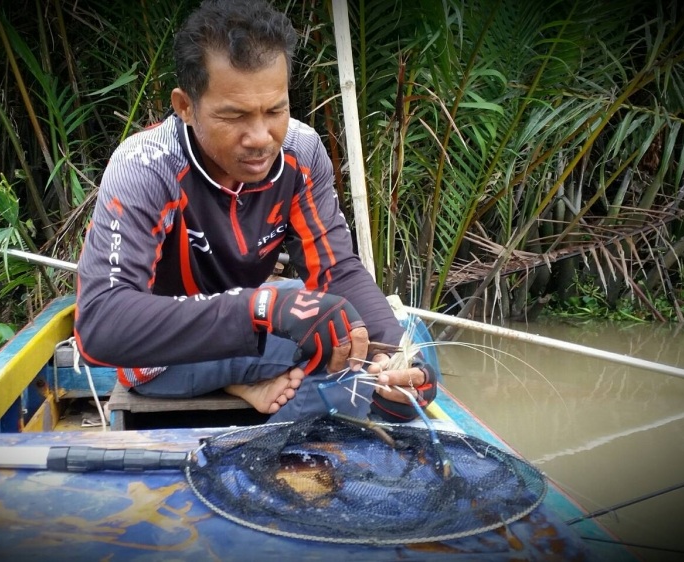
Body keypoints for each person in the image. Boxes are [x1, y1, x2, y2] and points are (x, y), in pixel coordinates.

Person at [73, 0, 438, 423]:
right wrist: (263, 309)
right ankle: (264, 451)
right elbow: (101, 327)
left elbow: (337, 269)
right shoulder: (147, 165)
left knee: (414, 351)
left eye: (275, 110)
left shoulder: (301, 150)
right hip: (158, 358)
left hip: (247, 328)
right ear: (185, 106)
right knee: (319, 343)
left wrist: (395, 359)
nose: (261, 137)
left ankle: (253, 388)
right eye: (235, 115)